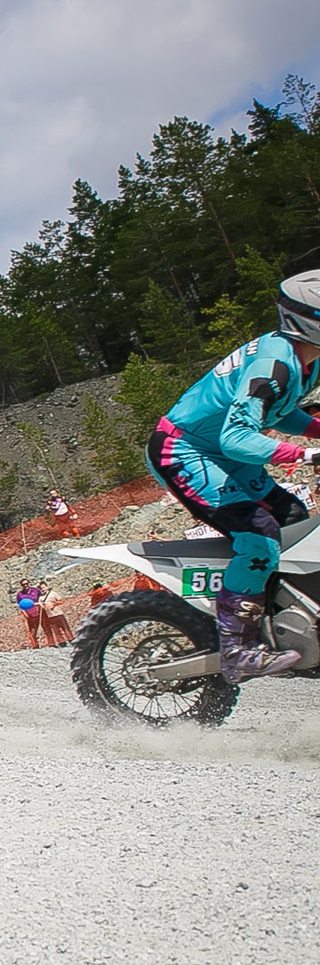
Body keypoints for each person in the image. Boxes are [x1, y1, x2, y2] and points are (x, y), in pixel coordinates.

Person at [149, 270, 320, 682]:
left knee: (296, 520)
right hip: (184, 451)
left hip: (220, 451)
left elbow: (284, 411)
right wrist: (304, 454)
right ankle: (237, 649)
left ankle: (288, 624)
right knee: (259, 536)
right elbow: (236, 436)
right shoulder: (274, 365)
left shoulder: (305, 359)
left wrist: (316, 430)